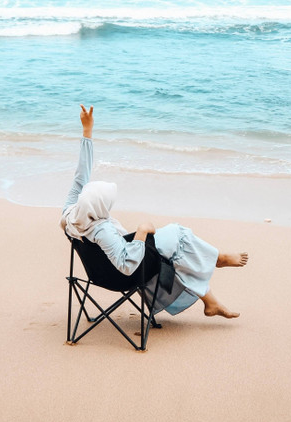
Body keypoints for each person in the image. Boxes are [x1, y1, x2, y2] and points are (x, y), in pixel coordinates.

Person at [61, 105, 248, 318]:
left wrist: (87, 130)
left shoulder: (71, 214)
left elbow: (80, 175)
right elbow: (126, 265)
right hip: (126, 272)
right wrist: (141, 231)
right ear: (100, 208)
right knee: (179, 235)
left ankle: (211, 301)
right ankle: (217, 258)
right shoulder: (102, 230)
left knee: (179, 252)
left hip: (101, 272)